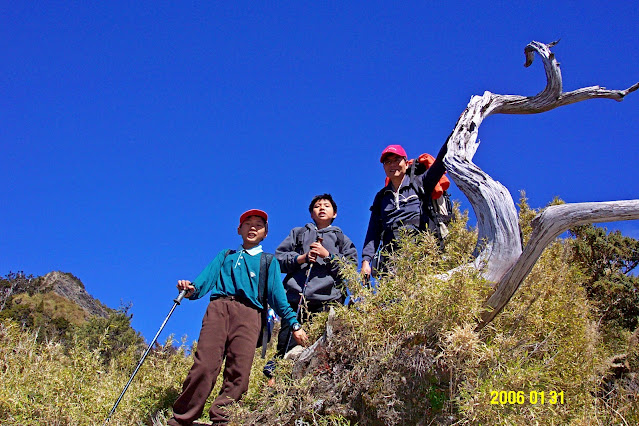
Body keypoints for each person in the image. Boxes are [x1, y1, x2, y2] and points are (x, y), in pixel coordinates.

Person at [167, 209, 308, 426]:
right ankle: (182, 419)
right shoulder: (225, 256)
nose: (253, 227)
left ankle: (222, 419)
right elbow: (203, 282)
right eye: (248, 223)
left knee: (239, 372)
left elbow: (278, 298)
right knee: (205, 365)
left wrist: (294, 324)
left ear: (265, 234)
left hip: (250, 314)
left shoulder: (268, 261)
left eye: (259, 225)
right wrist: (189, 288)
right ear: (239, 230)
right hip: (219, 309)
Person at [263, 194, 358, 380]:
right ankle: (274, 393)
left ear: (335, 213)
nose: (322, 208)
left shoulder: (341, 239)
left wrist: (327, 255)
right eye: (317, 206)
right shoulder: (298, 234)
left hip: (329, 302)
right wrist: (302, 258)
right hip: (295, 301)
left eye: (327, 205)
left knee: (322, 348)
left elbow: (350, 268)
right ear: (311, 213)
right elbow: (278, 261)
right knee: (285, 347)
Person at [361, 143, 448, 278]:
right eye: (388, 162)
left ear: (406, 164)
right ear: (384, 167)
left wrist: (455, 134)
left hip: (422, 254)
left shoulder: (420, 183)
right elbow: (373, 231)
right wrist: (366, 261)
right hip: (392, 261)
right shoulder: (381, 197)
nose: (392, 164)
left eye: (397, 160)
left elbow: (439, 165)